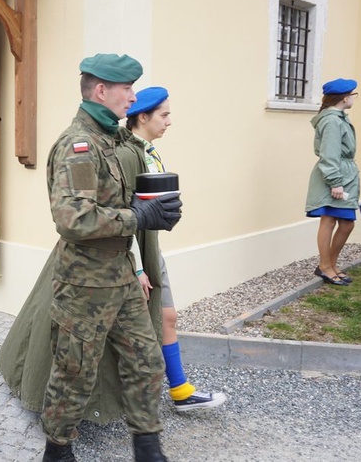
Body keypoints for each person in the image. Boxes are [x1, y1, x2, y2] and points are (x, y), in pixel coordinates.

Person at [39, 53, 182, 462]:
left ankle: (148, 446)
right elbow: (73, 218)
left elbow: (111, 198)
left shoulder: (110, 139)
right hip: (85, 283)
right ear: (101, 91)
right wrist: (136, 215)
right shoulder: (79, 146)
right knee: (74, 372)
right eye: (127, 89)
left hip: (118, 276)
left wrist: (154, 205)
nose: (133, 97)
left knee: (146, 361)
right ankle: (58, 449)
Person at [124, 86, 226, 411]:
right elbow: (122, 215)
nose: (169, 121)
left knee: (167, 315)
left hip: (148, 248)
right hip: (131, 251)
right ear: (143, 116)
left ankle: (180, 391)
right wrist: (137, 267)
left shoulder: (147, 151)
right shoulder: (130, 155)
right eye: (164, 115)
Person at [305, 78, 360, 286]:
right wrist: (335, 182)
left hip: (343, 173)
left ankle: (329, 264)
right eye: (353, 94)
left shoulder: (338, 118)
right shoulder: (332, 121)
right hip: (335, 176)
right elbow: (329, 153)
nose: (354, 97)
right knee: (329, 220)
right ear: (345, 98)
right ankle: (326, 266)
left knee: (346, 223)